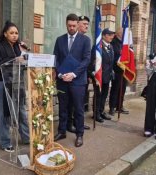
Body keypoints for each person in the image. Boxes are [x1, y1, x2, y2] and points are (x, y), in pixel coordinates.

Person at [53, 13, 91, 147]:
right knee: (63, 107)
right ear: (66, 25)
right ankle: (62, 131)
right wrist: (59, 74)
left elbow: (86, 60)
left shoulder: (85, 40)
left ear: (78, 25)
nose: (72, 28)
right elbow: (55, 59)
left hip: (78, 81)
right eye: (69, 25)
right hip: (62, 80)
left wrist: (73, 74)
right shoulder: (59, 40)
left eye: (74, 26)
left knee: (79, 109)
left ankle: (80, 134)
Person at [0, 21, 29, 152]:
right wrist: (14, 60)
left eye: (16, 33)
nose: (14, 35)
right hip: (3, 83)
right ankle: (5, 142)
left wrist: (24, 56)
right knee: (4, 113)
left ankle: (26, 137)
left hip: (18, 82)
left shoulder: (19, 47)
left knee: (22, 111)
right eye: (11, 33)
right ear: (5, 34)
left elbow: (22, 63)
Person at [66, 15, 91, 133]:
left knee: (79, 105)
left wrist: (89, 75)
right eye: (84, 24)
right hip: (67, 77)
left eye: (87, 24)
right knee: (70, 104)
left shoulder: (86, 39)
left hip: (81, 77)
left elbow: (87, 59)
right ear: (78, 24)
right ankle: (70, 124)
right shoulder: (66, 39)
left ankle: (78, 125)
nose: (86, 26)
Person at [90, 28, 115, 123]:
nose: (111, 37)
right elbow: (92, 62)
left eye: (112, 35)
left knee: (104, 95)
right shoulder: (97, 47)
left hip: (107, 76)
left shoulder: (111, 47)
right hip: (99, 76)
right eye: (109, 35)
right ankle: (96, 114)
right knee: (98, 95)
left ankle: (101, 111)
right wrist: (93, 74)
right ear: (103, 36)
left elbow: (110, 62)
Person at [109, 27, 129, 115]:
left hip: (124, 70)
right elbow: (115, 54)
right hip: (116, 70)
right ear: (118, 33)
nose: (125, 34)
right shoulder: (113, 42)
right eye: (123, 32)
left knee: (122, 89)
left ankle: (119, 106)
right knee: (115, 89)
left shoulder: (124, 43)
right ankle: (112, 107)